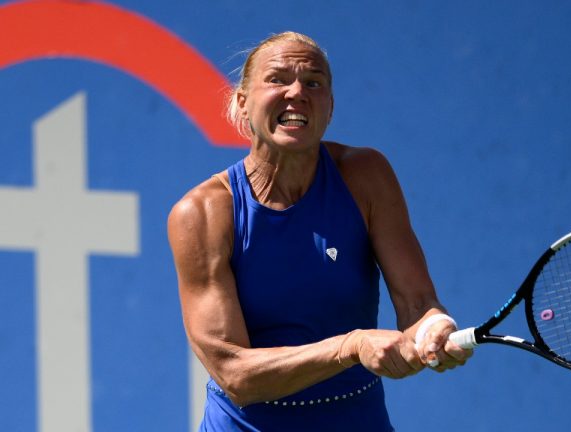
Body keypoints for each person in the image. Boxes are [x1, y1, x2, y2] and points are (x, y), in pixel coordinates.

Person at [167, 31, 472, 431]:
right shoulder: (203, 212)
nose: (297, 92)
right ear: (242, 103)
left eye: (314, 82)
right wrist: (350, 346)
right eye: (277, 79)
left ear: (329, 108)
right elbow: (234, 372)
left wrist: (433, 328)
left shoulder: (366, 176)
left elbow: (417, 303)